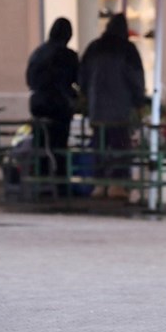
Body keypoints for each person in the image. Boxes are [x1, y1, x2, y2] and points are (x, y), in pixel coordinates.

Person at [79, 13, 145, 199]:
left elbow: (82, 77)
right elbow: (135, 78)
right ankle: (118, 185)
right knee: (120, 147)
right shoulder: (128, 50)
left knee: (99, 146)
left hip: (97, 109)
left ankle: (99, 184)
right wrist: (139, 100)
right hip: (120, 110)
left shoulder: (94, 47)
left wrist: (87, 97)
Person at [25, 17, 79, 192]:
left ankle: (40, 182)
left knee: (40, 143)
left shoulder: (38, 52)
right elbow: (78, 80)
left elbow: (29, 80)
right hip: (58, 105)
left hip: (37, 103)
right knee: (59, 146)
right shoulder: (67, 55)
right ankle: (61, 185)